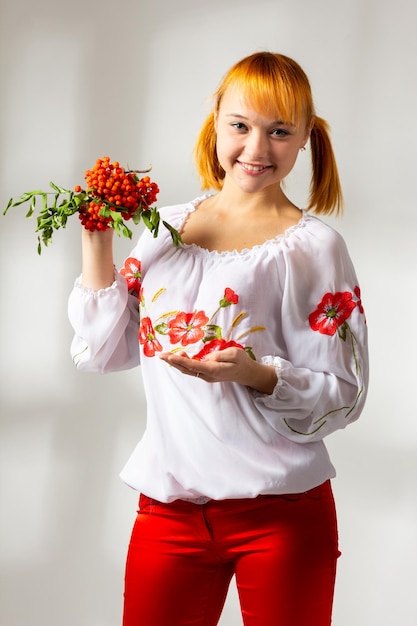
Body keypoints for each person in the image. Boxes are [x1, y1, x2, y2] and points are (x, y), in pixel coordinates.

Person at [68, 51, 369, 626]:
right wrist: (96, 241)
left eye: (279, 131)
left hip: (281, 515)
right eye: (241, 126)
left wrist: (254, 373)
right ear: (217, 124)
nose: (256, 149)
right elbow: (101, 350)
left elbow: (344, 394)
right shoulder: (167, 228)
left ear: (306, 136)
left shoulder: (314, 248)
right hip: (168, 513)